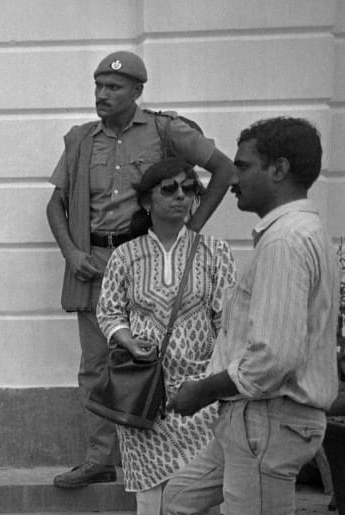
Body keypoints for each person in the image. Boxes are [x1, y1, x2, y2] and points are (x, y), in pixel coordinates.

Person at [164, 117, 337, 515]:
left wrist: (205, 389)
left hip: (267, 420)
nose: (231, 177)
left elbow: (275, 358)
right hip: (250, 421)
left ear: (279, 170)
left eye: (243, 165)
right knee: (183, 501)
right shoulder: (290, 234)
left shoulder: (288, 241)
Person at [47, 51, 235, 489]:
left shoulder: (166, 130)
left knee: (166, 359)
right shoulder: (81, 140)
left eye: (113, 87)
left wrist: (191, 230)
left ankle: (178, 462)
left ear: (137, 91)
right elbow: (55, 204)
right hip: (95, 264)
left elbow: (224, 170)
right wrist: (71, 252)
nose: (102, 94)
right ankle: (99, 459)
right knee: (98, 366)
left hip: (150, 260)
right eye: (98, 86)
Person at [95, 159, 236, 515]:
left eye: (188, 189)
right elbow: (109, 311)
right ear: (146, 200)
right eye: (169, 189)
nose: (181, 196)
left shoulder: (214, 251)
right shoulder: (126, 255)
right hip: (145, 385)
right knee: (148, 473)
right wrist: (127, 340)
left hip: (199, 385)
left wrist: (215, 379)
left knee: (200, 469)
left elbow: (229, 320)